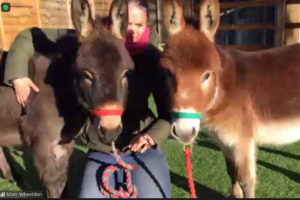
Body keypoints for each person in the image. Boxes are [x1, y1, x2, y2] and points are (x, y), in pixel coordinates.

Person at [4, 0, 172, 198]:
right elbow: (28, 35)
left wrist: (152, 136)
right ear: (116, 21)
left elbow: (169, 111)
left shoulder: (154, 58)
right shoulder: (92, 38)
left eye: (139, 25)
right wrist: (17, 76)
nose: (131, 32)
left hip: (140, 140)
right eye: (128, 24)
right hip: (101, 145)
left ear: (148, 26)